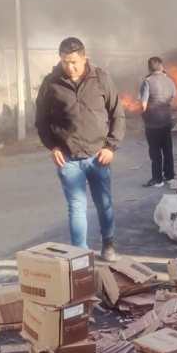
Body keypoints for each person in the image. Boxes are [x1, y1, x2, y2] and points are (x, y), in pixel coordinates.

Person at [35, 37, 125, 261]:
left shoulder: (101, 79)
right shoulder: (51, 83)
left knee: (104, 203)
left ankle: (109, 244)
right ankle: (81, 255)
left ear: (84, 58)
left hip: (98, 155)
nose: (70, 67)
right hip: (68, 158)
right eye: (65, 62)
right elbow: (41, 121)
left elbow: (117, 114)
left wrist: (111, 146)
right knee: (76, 207)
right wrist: (52, 146)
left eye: (74, 61)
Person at [139, 56, 177, 188]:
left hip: (152, 123)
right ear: (161, 66)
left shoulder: (147, 81)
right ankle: (170, 176)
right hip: (166, 121)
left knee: (155, 152)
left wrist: (144, 116)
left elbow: (143, 104)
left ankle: (158, 179)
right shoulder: (170, 81)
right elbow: (173, 98)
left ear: (149, 67)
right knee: (167, 150)